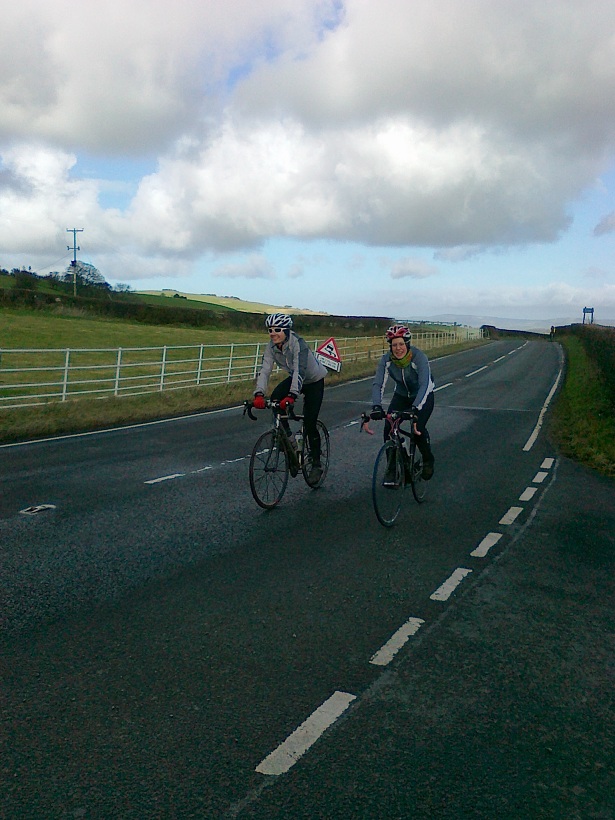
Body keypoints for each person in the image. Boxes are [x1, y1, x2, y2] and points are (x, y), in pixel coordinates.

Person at [252, 313, 328, 484]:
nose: (273, 333)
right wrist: (259, 393)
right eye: (270, 330)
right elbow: (265, 370)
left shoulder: (298, 344)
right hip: (295, 378)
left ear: (286, 330)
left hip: (313, 381)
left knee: (310, 423)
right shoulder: (271, 347)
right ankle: (289, 441)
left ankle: (316, 464)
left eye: (277, 330)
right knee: (275, 400)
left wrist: (292, 395)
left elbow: (300, 370)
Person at [370, 324, 435, 485]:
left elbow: (424, 384)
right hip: (401, 395)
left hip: (422, 396)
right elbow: (378, 384)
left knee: (417, 428)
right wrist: (376, 406)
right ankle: (392, 468)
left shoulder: (418, 357)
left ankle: (428, 459)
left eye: (401, 344)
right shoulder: (387, 360)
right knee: (389, 427)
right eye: (394, 345)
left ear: (407, 344)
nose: (398, 348)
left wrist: (415, 409)